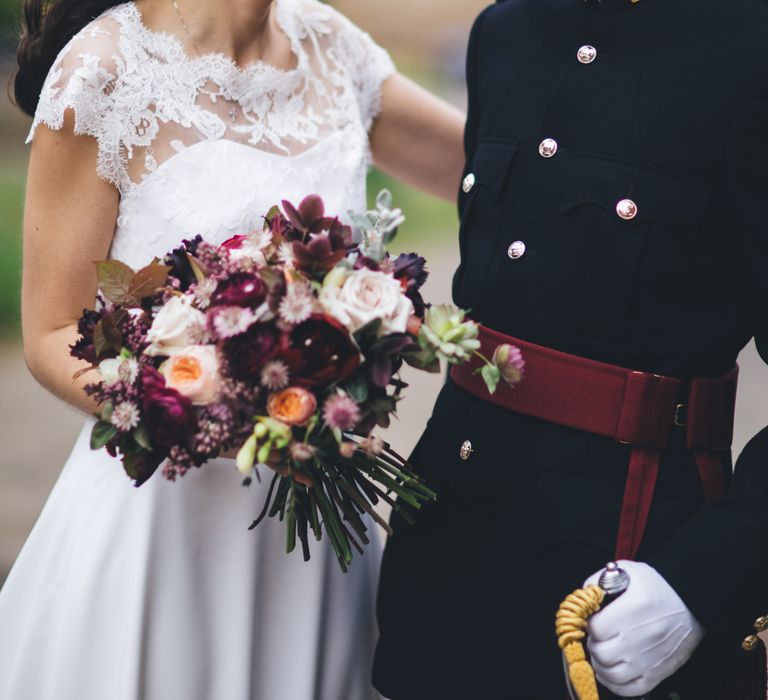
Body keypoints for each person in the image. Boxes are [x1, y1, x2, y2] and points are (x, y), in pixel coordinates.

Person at [0, 1, 465, 698]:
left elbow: (497, 167)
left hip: (319, 532)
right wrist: (204, 413)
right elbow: (49, 333)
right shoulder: (102, 72)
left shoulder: (331, 46)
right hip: (162, 524)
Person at [373, 0, 768, 698]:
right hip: (442, 554)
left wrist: (702, 581)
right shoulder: (504, 31)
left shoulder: (747, 44)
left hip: (624, 582)